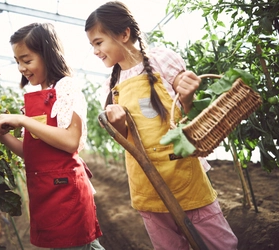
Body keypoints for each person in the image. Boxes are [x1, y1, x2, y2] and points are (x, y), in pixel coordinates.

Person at [85, 1, 238, 249]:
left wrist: (188, 96)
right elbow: (126, 140)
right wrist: (119, 125)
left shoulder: (160, 60)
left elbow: (189, 114)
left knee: (219, 243)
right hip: (146, 181)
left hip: (182, 172)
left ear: (124, 34)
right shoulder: (110, 86)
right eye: (92, 45)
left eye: (98, 42)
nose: (95, 51)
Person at [0, 23, 104, 250]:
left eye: (27, 60)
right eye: (17, 61)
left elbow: (70, 142)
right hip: (44, 191)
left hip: (66, 193)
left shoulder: (66, 88)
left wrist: (22, 120)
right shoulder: (36, 98)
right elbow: (32, 154)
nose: (21, 67)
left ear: (47, 55)